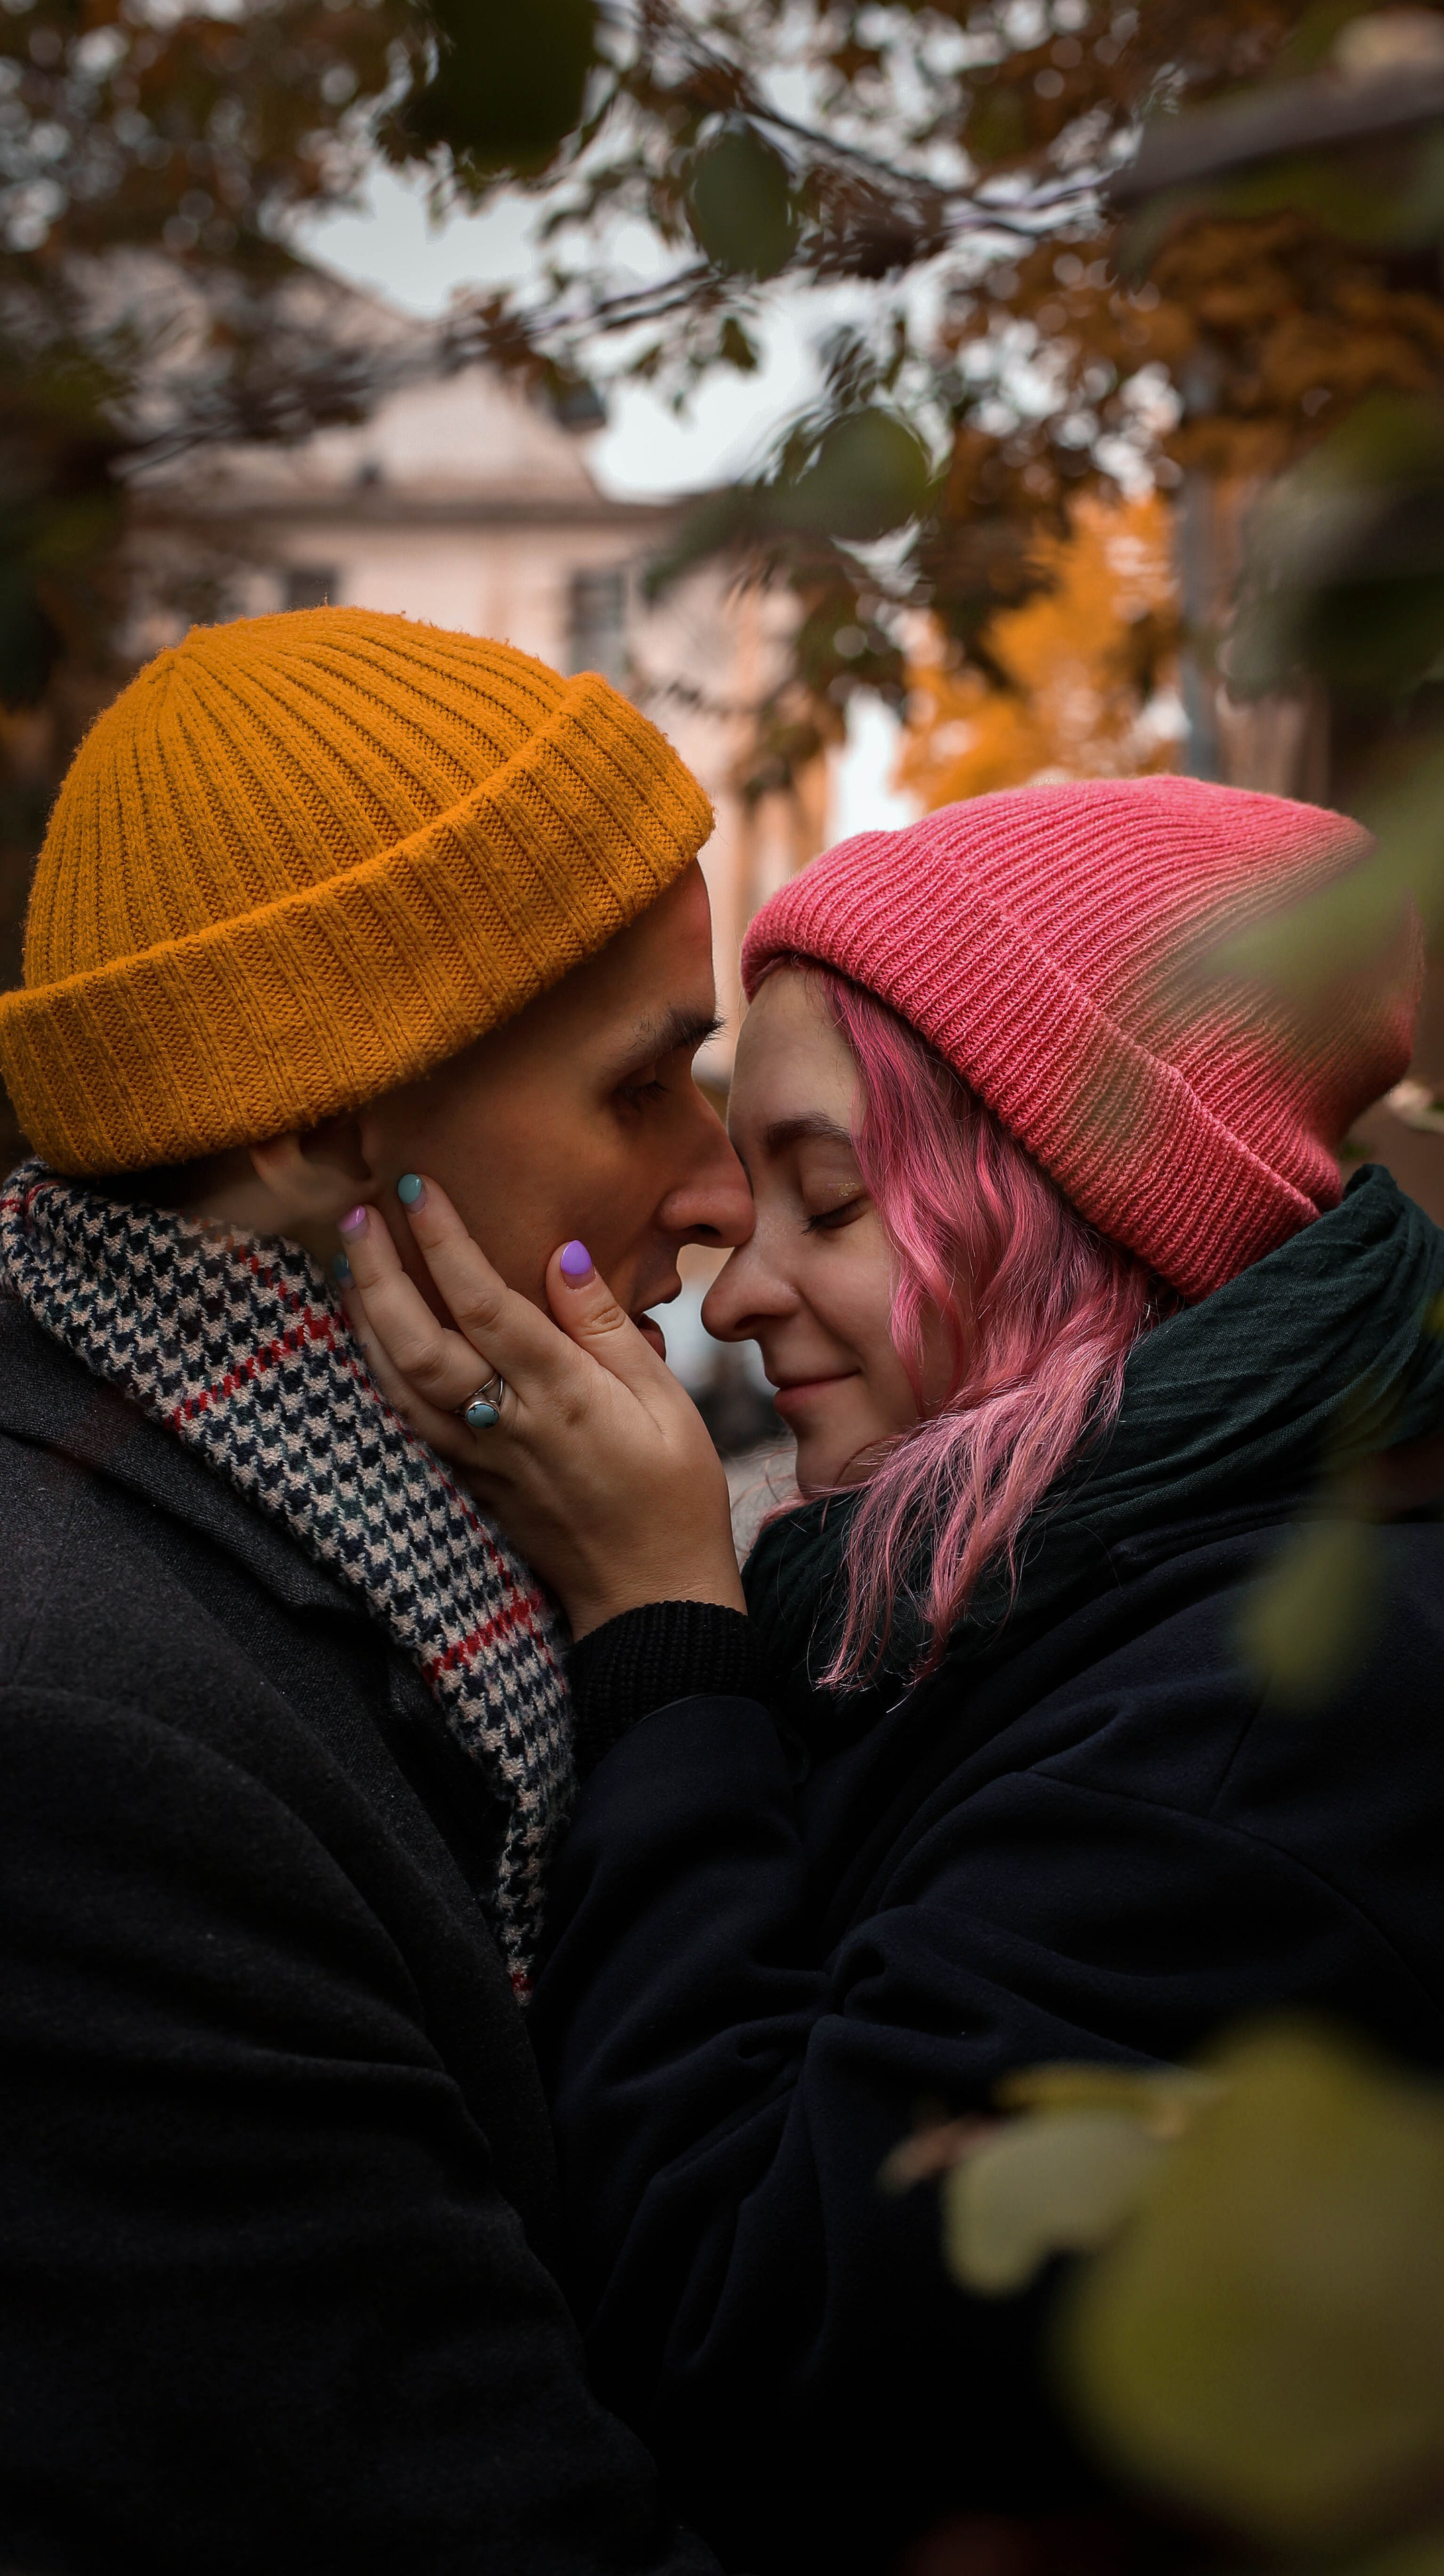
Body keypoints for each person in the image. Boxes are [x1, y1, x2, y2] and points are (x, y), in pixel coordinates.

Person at [339, 776, 1444, 2576]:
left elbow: (747, 2326)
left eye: (829, 1200)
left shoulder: (1255, 1721)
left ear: (1072, 1217)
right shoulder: (1028, 1598)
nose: (733, 1296)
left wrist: (663, 1633)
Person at [0, 606, 754, 2574]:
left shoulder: (421, 1527)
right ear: (328, 1119)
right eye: (645, 1086)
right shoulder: (78, 1740)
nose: (723, 1190)